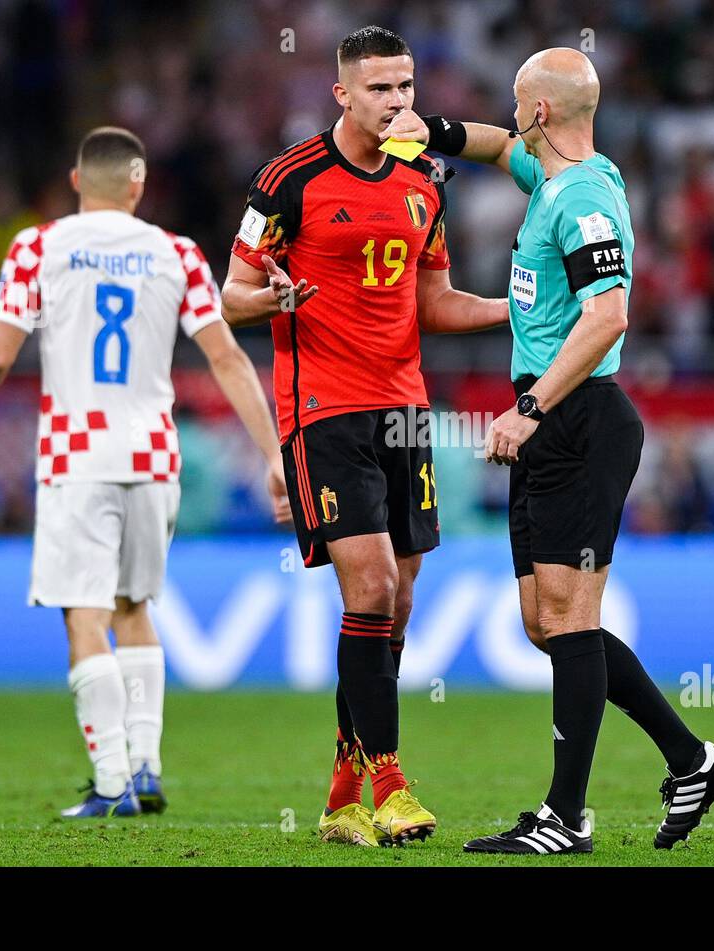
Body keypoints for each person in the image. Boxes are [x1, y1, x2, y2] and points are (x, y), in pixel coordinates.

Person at [386, 48, 714, 854]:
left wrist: (532, 408)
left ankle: (565, 816)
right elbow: (487, 145)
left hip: (577, 419)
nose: (509, 117)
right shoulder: (556, 178)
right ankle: (693, 759)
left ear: (542, 111)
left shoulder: (580, 199)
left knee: (570, 620)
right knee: (546, 625)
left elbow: (607, 315)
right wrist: (428, 130)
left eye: (517, 104)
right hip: (553, 422)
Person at [0, 127, 290, 818]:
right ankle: (148, 768)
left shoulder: (39, 246)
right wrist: (274, 453)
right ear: (138, 184)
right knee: (134, 609)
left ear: (76, 182)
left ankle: (110, 782)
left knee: (85, 615)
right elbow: (227, 360)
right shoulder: (178, 253)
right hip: (155, 454)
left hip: (78, 456)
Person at [220, 26, 507, 848]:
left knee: (399, 601)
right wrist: (270, 298)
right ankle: (389, 779)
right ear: (343, 94)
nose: (398, 102)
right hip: (324, 409)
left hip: (404, 409)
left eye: (406, 86)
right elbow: (227, 293)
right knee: (373, 587)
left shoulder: (425, 179)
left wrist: (512, 310)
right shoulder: (290, 178)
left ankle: (344, 789)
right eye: (380, 89)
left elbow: (435, 302)